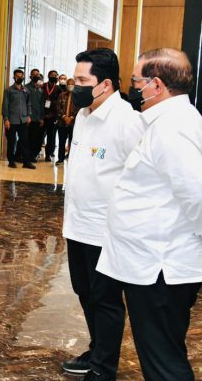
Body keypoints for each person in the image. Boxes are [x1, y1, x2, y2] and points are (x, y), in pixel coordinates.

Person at [97, 48, 202, 381]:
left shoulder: (172, 128)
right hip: (152, 265)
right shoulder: (167, 122)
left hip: (160, 268)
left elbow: (197, 197)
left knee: (164, 363)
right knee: (163, 355)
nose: (133, 87)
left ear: (156, 85)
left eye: (136, 81)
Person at [60, 48, 144, 380]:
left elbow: (142, 178)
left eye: (82, 80)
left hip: (107, 231)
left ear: (105, 84)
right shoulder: (83, 116)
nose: (75, 86)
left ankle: (104, 367)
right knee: (84, 292)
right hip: (77, 225)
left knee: (106, 300)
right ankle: (97, 349)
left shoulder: (127, 121)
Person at [2, 69, 35, 169]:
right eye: (17, 76)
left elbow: (28, 103)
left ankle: (26, 162)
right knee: (12, 141)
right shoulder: (9, 90)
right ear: (14, 77)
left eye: (21, 76)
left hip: (23, 120)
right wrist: (6, 119)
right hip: (12, 120)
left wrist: (29, 115)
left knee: (24, 141)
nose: (19, 78)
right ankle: (11, 161)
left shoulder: (26, 90)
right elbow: (5, 105)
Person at [55, 77, 78, 165]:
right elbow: (58, 107)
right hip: (62, 123)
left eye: (72, 84)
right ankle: (60, 159)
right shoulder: (62, 95)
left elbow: (79, 109)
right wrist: (64, 117)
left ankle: (71, 158)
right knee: (61, 141)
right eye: (69, 84)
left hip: (73, 124)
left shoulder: (78, 96)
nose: (70, 86)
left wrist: (71, 117)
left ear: (75, 85)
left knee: (73, 141)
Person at [43, 70, 62, 162]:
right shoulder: (43, 86)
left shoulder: (58, 88)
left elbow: (60, 103)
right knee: (40, 136)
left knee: (51, 137)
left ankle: (48, 154)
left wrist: (56, 115)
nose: (53, 76)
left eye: (55, 75)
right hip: (42, 115)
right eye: (52, 75)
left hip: (53, 116)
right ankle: (35, 153)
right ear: (48, 76)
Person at [26, 68, 45, 162]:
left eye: (38, 74)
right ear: (30, 76)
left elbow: (42, 104)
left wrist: (42, 117)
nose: (36, 76)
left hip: (38, 118)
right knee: (29, 139)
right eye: (34, 74)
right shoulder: (25, 88)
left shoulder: (41, 89)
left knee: (38, 140)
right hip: (29, 118)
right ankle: (29, 157)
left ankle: (34, 154)